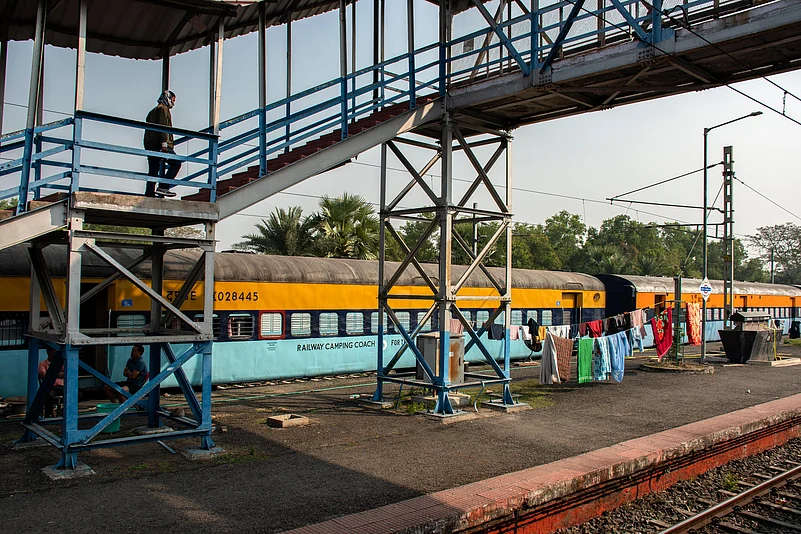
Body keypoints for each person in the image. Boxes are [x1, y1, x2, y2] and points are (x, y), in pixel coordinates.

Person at [143, 90, 180, 198]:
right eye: (173, 100)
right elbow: (162, 126)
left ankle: (149, 193)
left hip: (150, 144)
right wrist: (164, 143)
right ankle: (163, 187)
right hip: (160, 144)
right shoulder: (163, 109)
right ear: (168, 98)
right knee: (176, 163)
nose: (173, 103)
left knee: (153, 170)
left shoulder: (152, 111)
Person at [38, 347, 64, 417]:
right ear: (48, 352)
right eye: (53, 352)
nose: (55, 354)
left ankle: (63, 411)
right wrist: (58, 374)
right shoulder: (43, 364)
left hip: (62, 386)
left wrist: (51, 374)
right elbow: (44, 376)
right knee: (47, 395)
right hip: (51, 387)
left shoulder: (61, 363)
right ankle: (51, 412)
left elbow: (66, 373)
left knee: (78, 394)